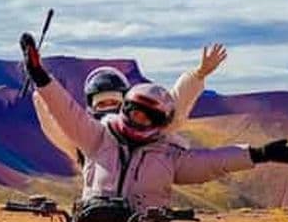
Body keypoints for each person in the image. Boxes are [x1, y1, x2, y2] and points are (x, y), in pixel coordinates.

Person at [20, 32, 288, 222]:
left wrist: (258, 154)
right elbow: (64, 112)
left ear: (160, 122)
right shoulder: (96, 136)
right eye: (134, 112)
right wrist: (40, 78)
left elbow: (213, 162)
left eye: (148, 117)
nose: (139, 120)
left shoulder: (168, 153)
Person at [65, 45, 228, 172]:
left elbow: (174, 107)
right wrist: (42, 88)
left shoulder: (146, 129)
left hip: (141, 209)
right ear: (91, 106)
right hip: (98, 210)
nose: (108, 109)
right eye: (101, 103)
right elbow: (57, 121)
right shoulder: (87, 140)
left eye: (114, 101)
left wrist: (198, 75)